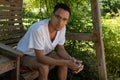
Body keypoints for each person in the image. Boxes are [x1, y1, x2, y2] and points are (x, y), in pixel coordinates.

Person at [17, 3, 84, 80]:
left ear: (67, 21)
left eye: (64, 19)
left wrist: (72, 59)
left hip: (45, 53)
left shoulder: (62, 28)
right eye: (58, 17)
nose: (60, 22)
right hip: (25, 55)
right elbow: (40, 58)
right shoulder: (38, 29)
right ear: (52, 15)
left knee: (64, 59)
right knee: (44, 67)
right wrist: (67, 62)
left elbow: (60, 49)